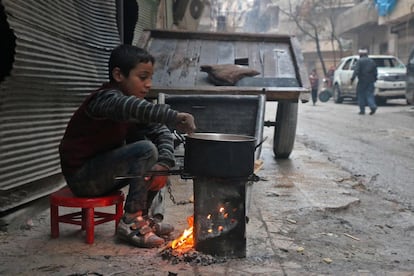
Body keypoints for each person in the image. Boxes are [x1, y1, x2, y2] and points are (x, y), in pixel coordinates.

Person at [59, 45, 196, 248]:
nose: (148, 84)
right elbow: (129, 108)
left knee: (157, 157)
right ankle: (130, 221)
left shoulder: (133, 105)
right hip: (83, 178)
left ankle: (145, 218)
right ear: (118, 74)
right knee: (145, 150)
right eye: (142, 77)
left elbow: (160, 131)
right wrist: (173, 116)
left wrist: (165, 164)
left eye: (150, 78)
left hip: (105, 172)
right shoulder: (105, 99)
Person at [351, 48, 378, 115]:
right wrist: (374, 79)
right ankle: (372, 106)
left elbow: (356, 71)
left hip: (362, 81)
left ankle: (362, 110)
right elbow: (375, 72)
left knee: (361, 95)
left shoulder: (359, 61)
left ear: (360, 54)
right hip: (370, 81)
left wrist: (352, 79)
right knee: (370, 94)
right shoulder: (372, 61)